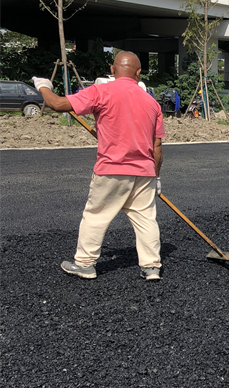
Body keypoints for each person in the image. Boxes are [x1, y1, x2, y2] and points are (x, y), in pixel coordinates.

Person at [32, 52, 165, 281]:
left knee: (96, 216)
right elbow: (157, 147)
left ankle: (85, 264)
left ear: (112, 70)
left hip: (111, 169)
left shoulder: (100, 92)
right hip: (144, 172)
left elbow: (57, 104)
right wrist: (157, 177)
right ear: (138, 73)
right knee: (146, 219)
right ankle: (151, 266)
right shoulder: (151, 103)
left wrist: (43, 87)